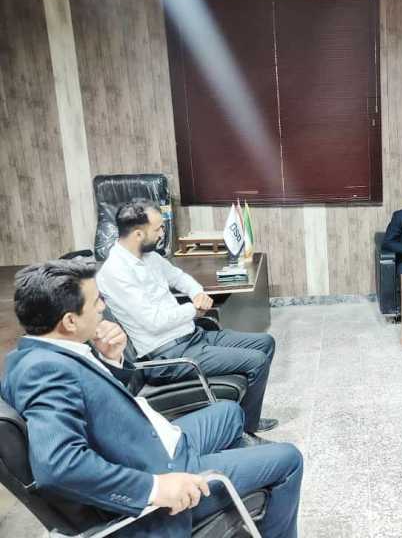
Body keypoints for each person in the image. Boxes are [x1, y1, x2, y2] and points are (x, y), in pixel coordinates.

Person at [1, 260, 303, 538]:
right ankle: (223, 490)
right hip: (159, 472)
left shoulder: (43, 353)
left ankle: (237, 500)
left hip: (157, 444)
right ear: (69, 321)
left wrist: (112, 359)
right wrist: (155, 488)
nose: (103, 307)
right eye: (96, 302)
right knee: (289, 460)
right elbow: (58, 465)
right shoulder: (44, 371)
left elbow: (100, 405)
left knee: (230, 413)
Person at [95, 199, 277, 437]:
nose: (162, 233)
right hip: (168, 355)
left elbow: (178, 277)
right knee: (257, 361)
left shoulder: (148, 256)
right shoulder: (115, 272)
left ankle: (244, 418)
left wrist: (197, 293)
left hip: (191, 336)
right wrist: (193, 309)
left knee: (265, 342)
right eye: (158, 228)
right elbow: (154, 321)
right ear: (138, 234)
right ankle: (245, 430)